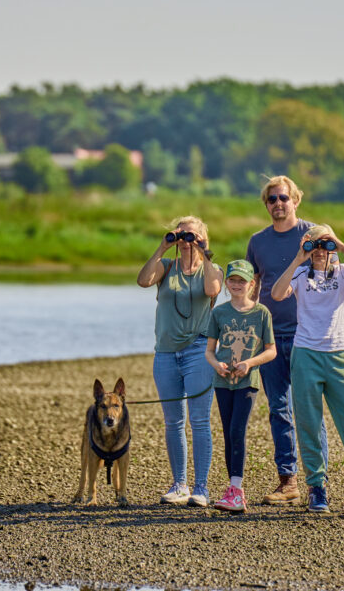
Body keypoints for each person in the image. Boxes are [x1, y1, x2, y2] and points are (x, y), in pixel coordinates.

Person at [271, 225, 344, 513]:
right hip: (306, 354)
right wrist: (299, 257)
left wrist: (342, 247)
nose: (320, 250)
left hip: (337, 356)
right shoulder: (300, 273)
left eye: (325, 244)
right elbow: (276, 293)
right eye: (315, 244)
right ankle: (316, 488)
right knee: (308, 423)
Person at [245, 175, 330, 506]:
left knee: (309, 410)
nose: (278, 204)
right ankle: (288, 481)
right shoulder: (257, 242)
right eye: (271, 199)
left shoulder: (315, 235)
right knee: (278, 408)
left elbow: (333, 279)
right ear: (266, 205)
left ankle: (317, 485)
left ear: (296, 199)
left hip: (307, 334)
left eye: (283, 198)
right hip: (269, 336)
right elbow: (252, 286)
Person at [137, 215, 223, 507]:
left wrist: (204, 251)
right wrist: (162, 247)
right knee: (173, 422)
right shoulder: (167, 267)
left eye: (192, 236)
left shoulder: (212, 270)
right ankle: (179, 484)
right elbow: (142, 281)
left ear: (202, 238)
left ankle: (201, 488)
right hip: (165, 352)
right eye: (182, 236)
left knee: (199, 421)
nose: (186, 242)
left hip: (199, 350)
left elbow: (213, 290)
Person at [203, 260, 277, 513]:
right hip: (222, 382)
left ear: (251, 284)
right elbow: (210, 351)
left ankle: (237, 490)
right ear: (226, 284)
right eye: (232, 280)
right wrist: (217, 366)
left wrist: (250, 363)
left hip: (248, 382)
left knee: (238, 430)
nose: (236, 285)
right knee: (227, 432)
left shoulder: (261, 313)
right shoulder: (219, 313)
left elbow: (271, 351)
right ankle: (232, 489)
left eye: (242, 281)